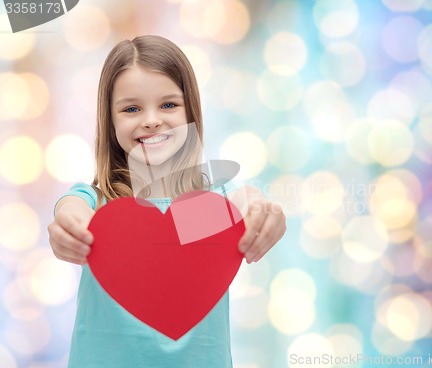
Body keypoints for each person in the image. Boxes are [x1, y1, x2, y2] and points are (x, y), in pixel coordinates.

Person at [47, 35, 286, 367]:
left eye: (168, 105)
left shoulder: (209, 209)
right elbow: (71, 209)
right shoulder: (100, 204)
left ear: (191, 111)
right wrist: (68, 227)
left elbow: (246, 201)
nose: (151, 120)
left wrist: (264, 211)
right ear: (110, 119)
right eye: (132, 108)